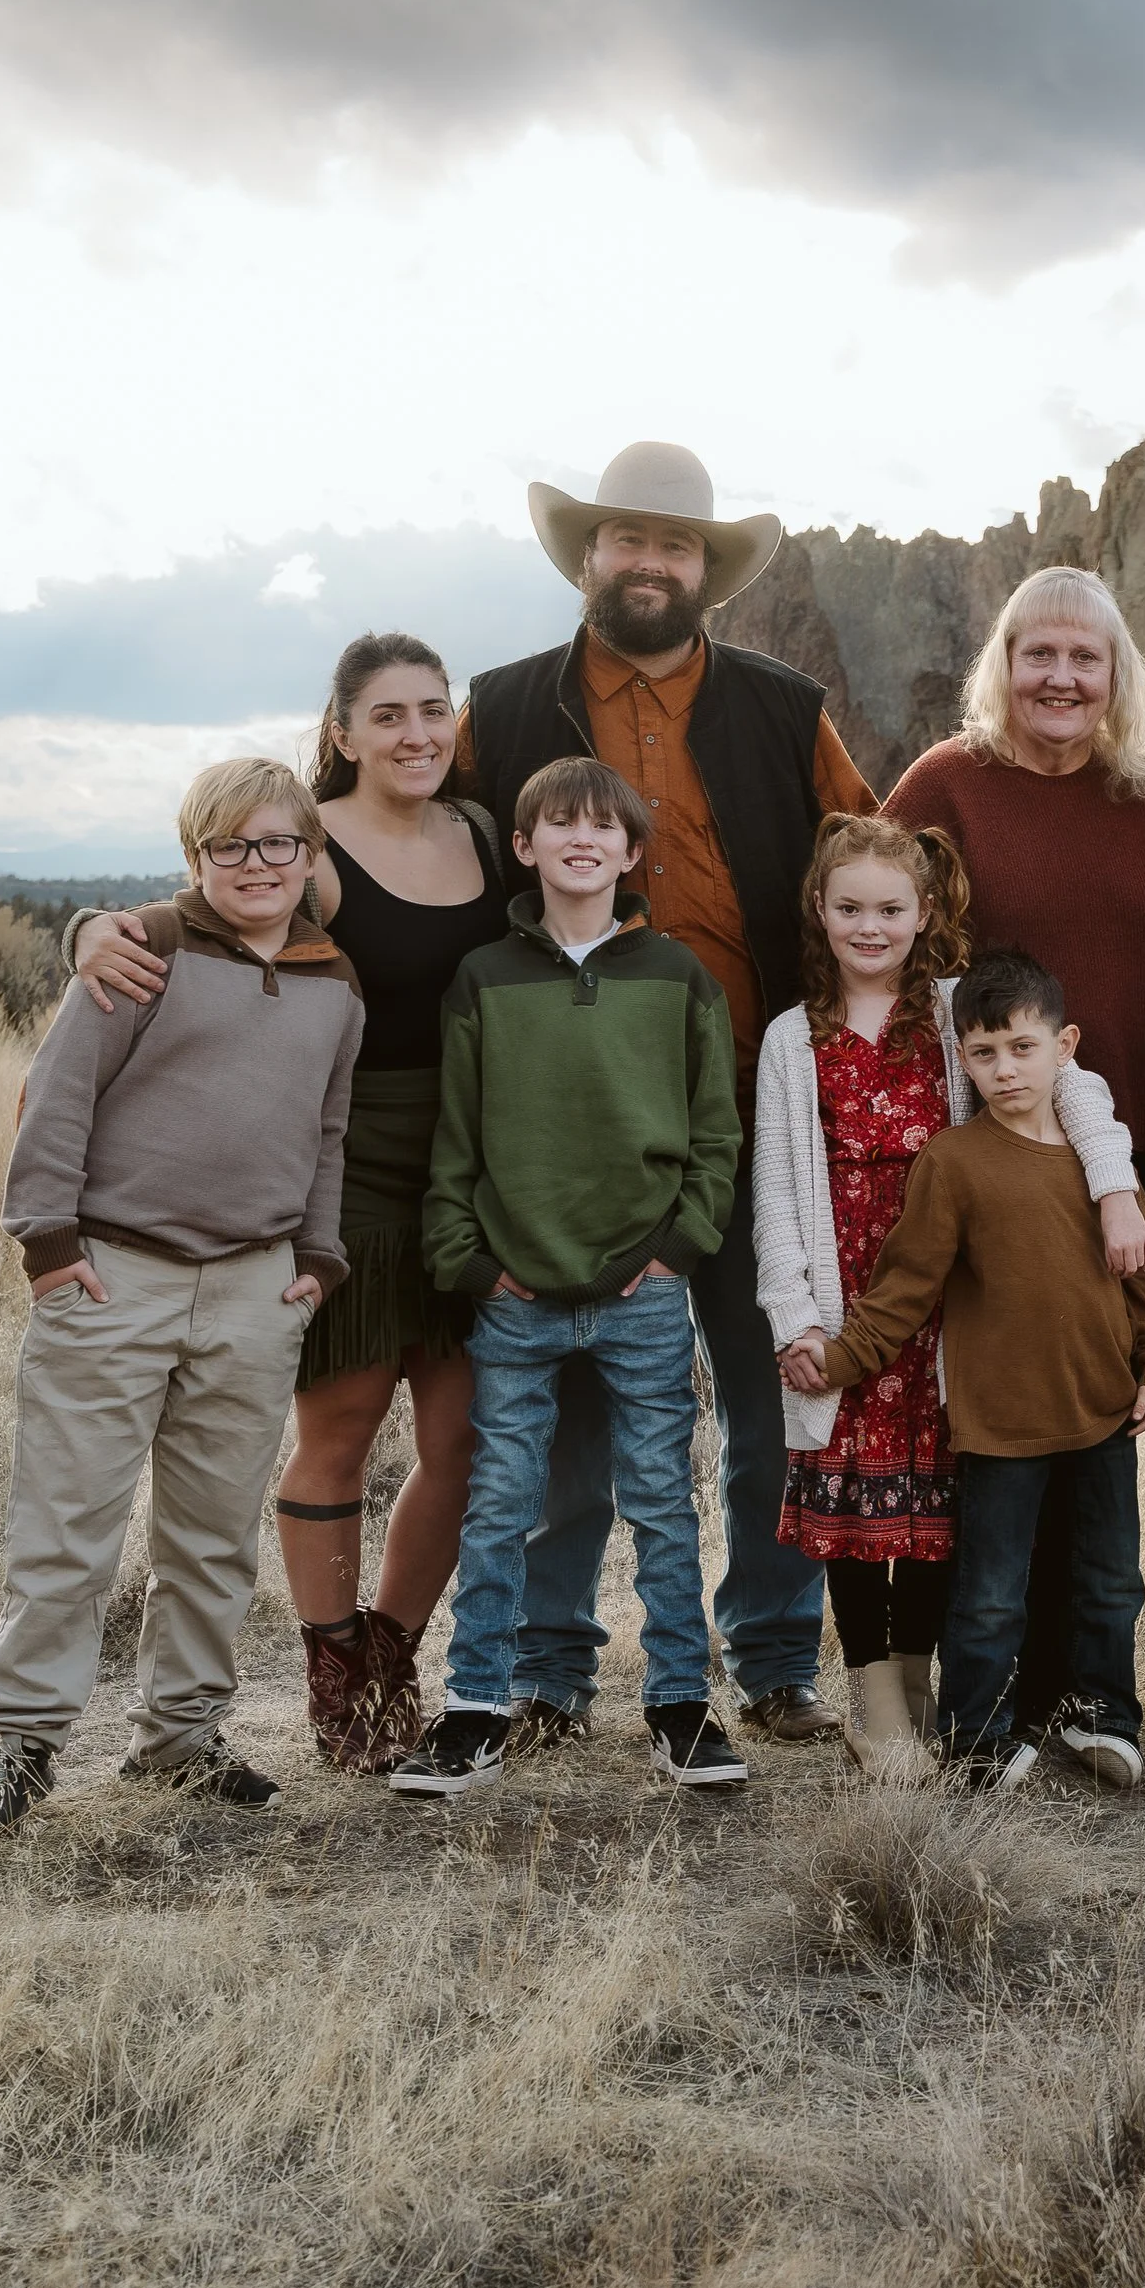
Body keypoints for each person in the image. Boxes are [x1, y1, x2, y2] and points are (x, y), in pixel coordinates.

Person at [452, 440, 881, 1747]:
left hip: (756, 1114)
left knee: (769, 1401)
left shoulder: (781, 705)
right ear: (588, 557)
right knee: (570, 1416)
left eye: (675, 544)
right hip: (567, 1129)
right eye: (626, 540)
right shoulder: (504, 708)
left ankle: (774, 1660)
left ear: (709, 572)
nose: (649, 562)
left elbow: (870, 859)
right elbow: (376, 840)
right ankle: (549, 1672)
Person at [68, 633, 510, 1773]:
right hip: (346, 1160)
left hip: (472, 1167)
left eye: (432, 709)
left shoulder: (484, 834)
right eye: (388, 714)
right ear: (343, 731)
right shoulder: (316, 849)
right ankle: (334, 1685)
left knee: (468, 1438)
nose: (416, 732)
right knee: (344, 1432)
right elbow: (209, 905)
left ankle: (389, 1659)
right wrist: (93, 931)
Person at [0, 760, 362, 1830]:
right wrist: (48, 1245)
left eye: (278, 842)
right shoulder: (146, 947)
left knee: (213, 1533)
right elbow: (57, 1093)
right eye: (230, 845)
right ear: (196, 856)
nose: (257, 863)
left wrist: (316, 1261)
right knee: (69, 1523)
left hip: (255, 1288)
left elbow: (328, 1132)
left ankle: (180, 1735)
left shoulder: (335, 982)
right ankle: (20, 1739)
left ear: (309, 852)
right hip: (113, 1274)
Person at [753, 814, 1138, 1776]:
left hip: (960, 1293)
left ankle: (924, 1685)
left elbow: (1076, 1088)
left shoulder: (961, 1007)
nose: (870, 926)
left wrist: (1115, 1185)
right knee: (846, 1494)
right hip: (847, 1299)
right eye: (850, 908)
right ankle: (874, 1698)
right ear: (821, 911)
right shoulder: (794, 1034)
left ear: (925, 913)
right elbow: (774, 1186)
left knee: (935, 1492)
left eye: (891, 908)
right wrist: (795, 1314)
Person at [390, 758, 743, 1799]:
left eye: (603, 825)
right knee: (501, 1501)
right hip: (517, 1295)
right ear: (525, 845)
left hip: (643, 1290)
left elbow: (713, 1133)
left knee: (663, 1504)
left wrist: (678, 1247)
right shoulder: (484, 978)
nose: (580, 837)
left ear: (633, 853)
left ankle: (680, 1704)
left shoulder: (678, 976)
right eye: (557, 821)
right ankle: (474, 1709)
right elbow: (454, 1137)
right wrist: (470, 1261)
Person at [884, 565, 1145, 1727]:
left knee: (1097, 1411)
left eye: (1083, 657)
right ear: (1001, 665)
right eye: (1035, 653)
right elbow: (873, 926)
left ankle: (1081, 1689)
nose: (1059, 676)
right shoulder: (946, 783)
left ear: (1114, 676)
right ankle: (991, 1696)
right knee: (1001, 1425)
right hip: (990, 1156)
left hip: (1134, 1156)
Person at [799, 951, 1145, 1788]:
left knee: (1110, 1581)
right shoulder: (955, 1161)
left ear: (1064, 1045)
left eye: (1021, 1047)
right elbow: (904, 1288)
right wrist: (838, 1359)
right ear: (960, 1057)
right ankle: (978, 1736)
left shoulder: (1104, 1166)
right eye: (982, 1053)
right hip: (998, 1423)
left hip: (1104, 1411)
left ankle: (1103, 1714)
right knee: (990, 1592)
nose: (1004, 1070)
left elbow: (1142, 1280)